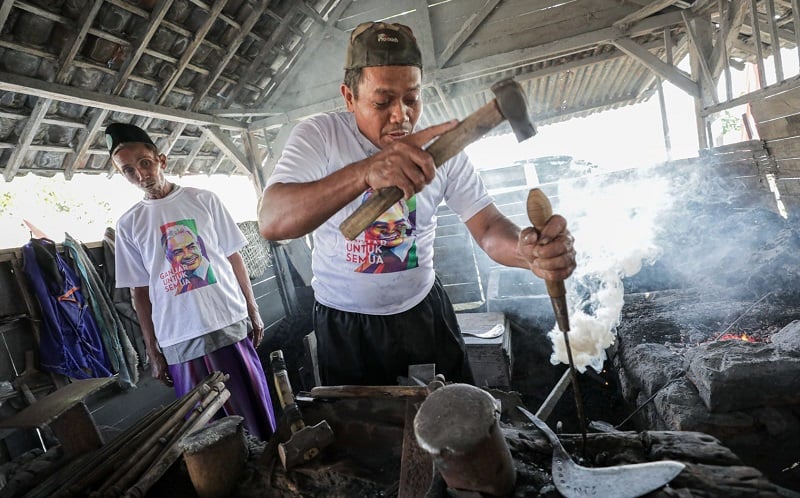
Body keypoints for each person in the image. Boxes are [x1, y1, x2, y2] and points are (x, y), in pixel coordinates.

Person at [258, 22, 576, 386]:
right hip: (346, 324)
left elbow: (487, 227)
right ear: (349, 97)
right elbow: (272, 220)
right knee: (367, 435)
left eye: (412, 98)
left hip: (424, 313)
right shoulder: (320, 136)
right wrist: (364, 172)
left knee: (455, 426)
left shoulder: (444, 148)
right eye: (382, 101)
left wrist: (528, 253)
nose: (401, 115)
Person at [107, 122, 276, 440]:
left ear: (161, 160)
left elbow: (233, 257)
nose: (141, 175)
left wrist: (252, 309)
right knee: (206, 431)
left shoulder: (204, 200)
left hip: (227, 320)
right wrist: (153, 350)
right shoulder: (129, 225)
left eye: (145, 162)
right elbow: (139, 293)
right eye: (128, 170)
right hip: (179, 338)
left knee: (254, 414)